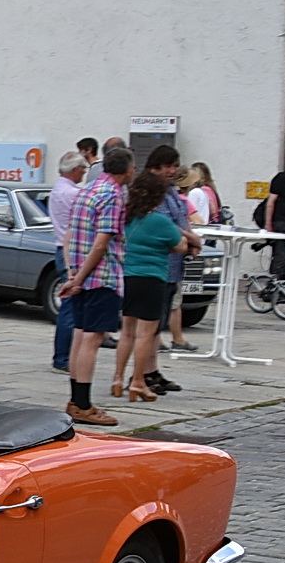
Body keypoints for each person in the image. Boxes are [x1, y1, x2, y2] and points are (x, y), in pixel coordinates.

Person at [59, 146, 134, 427]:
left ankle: (76, 398)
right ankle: (83, 404)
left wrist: (72, 273)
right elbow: (102, 242)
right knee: (92, 338)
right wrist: (80, 278)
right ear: (127, 169)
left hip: (80, 272)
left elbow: (69, 234)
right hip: (101, 276)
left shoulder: (86, 191)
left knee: (80, 336)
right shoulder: (112, 195)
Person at [114, 172, 189, 403]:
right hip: (153, 277)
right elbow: (181, 245)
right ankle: (138, 380)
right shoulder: (159, 221)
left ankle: (117, 379)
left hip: (129, 276)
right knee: (146, 335)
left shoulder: (127, 219)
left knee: (127, 332)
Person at [144, 145, 200, 373]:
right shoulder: (151, 191)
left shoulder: (173, 191)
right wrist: (192, 239)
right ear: (155, 167)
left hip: (174, 267)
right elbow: (165, 225)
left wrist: (190, 241)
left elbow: (182, 218)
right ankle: (143, 374)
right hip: (157, 266)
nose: (172, 170)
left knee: (159, 322)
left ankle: (152, 371)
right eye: (168, 166)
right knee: (150, 326)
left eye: (175, 166)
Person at [49, 151, 88, 371]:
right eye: (82, 170)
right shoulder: (74, 193)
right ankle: (63, 356)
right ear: (75, 170)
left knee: (70, 305)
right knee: (71, 306)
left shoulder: (57, 189)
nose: (83, 174)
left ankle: (65, 354)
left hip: (60, 246)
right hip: (72, 251)